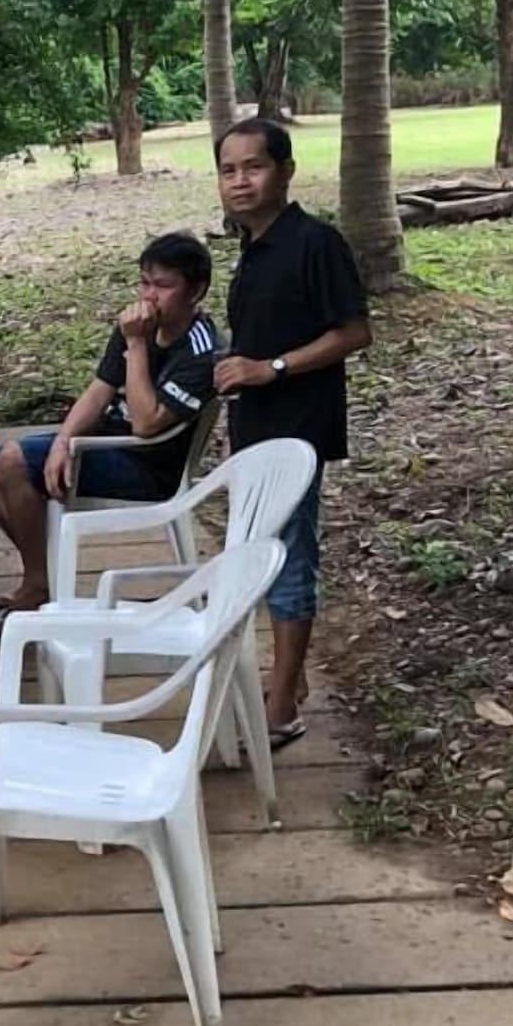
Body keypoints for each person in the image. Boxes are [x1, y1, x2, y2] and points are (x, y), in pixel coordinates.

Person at [214, 118, 372, 747]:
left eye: (253, 167)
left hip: (299, 430)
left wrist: (270, 368)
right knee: (261, 552)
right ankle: (291, 678)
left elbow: (354, 332)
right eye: (228, 171)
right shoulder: (253, 247)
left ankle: (281, 707)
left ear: (285, 172)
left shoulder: (315, 243)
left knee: (289, 558)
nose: (240, 181)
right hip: (255, 429)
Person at [0, 233, 219, 630]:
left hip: (150, 466)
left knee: (14, 461)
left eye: (163, 286)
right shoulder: (136, 325)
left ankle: (36, 585)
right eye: (144, 283)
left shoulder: (200, 350)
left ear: (196, 291)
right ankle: (44, 577)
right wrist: (63, 442)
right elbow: (100, 389)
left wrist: (137, 346)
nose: (149, 296)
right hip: (104, 443)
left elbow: (145, 425)